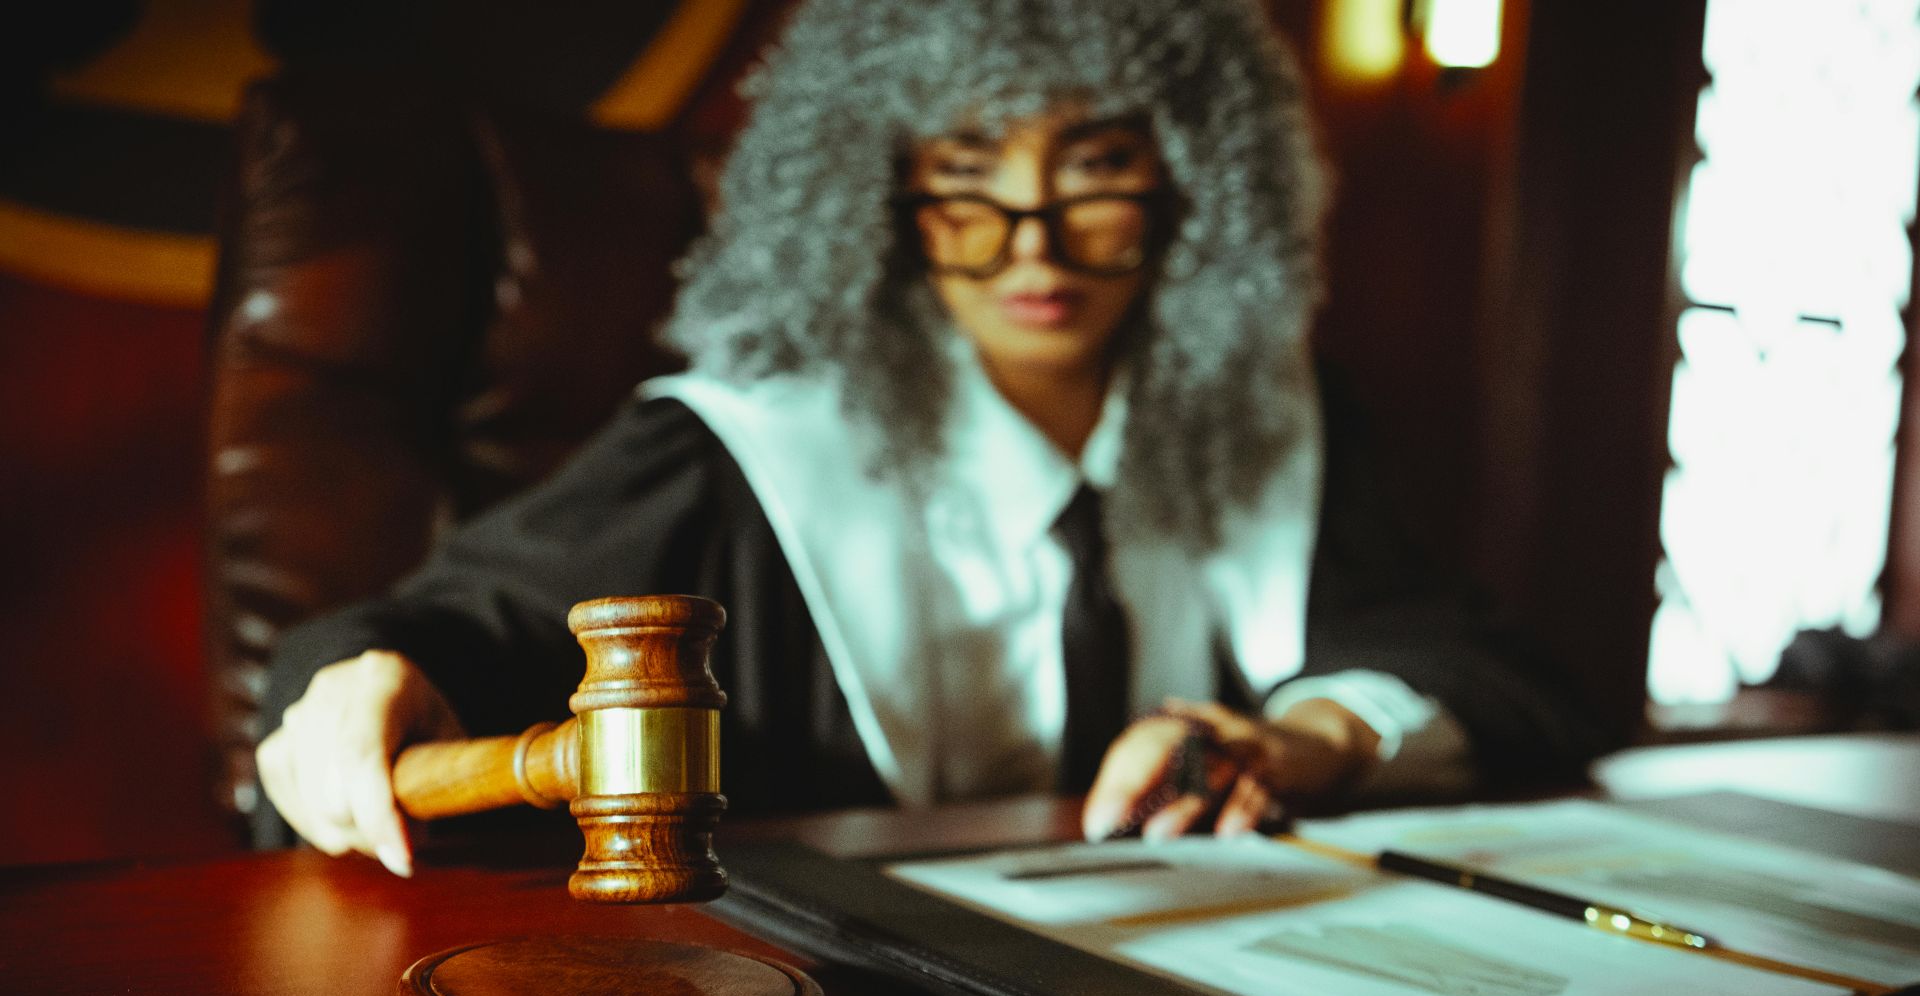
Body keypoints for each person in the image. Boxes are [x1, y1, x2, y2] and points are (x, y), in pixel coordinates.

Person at [256, 0, 1608, 878]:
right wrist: (368, 680)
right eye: (967, 182)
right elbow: (450, 638)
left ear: (1196, 185)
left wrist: (1295, 741)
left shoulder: (1280, 427)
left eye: (1095, 175)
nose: (1037, 247)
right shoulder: (741, 455)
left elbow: (1478, 665)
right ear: (878, 201)